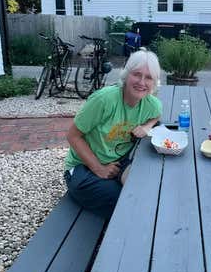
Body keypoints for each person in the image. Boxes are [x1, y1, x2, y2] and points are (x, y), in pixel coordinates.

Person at [64, 49, 162, 218]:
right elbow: (73, 136)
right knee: (123, 202)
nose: (142, 82)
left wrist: (147, 126)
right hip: (83, 168)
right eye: (137, 74)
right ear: (126, 74)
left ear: (154, 82)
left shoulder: (151, 105)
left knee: (143, 191)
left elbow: (157, 115)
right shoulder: (104, 100)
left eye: (149, 77)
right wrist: (99, 169)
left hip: (118, 163)